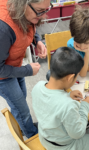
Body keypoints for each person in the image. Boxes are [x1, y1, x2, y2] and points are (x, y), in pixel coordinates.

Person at [32, 47, 89, 150]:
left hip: (44, 137)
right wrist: (84, 106)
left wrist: (67, 96)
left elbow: (51, 102)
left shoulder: (38, 85)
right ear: (70, 77)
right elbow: (78, 134)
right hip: (63, 146)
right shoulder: (68, 105)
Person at [0, 0, 52, 138]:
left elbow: (29, 26)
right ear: (22, 4)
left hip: (13, 65)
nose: (43, 15)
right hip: (2, 75)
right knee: (21, 108)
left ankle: (25, 126)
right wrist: (28, 70)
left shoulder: (27, 13)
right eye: (40, 10)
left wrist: (37, 40)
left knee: (20, 100)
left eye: (46, 9)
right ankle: (32, 135)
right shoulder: (3, 29)